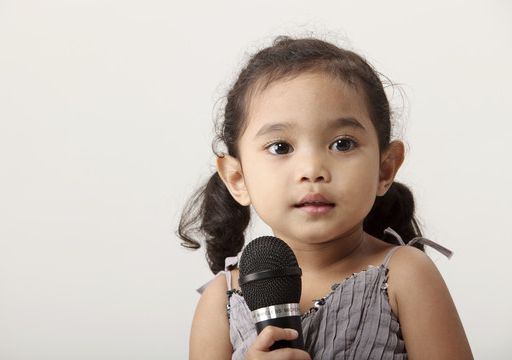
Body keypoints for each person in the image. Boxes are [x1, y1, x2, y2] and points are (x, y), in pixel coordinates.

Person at [178, 36, 473, 359]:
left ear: (384, 169)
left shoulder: (406, 276)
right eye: (281, 147)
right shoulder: (222, 301)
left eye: (342, 144)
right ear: (238, 178)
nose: (312, 170)